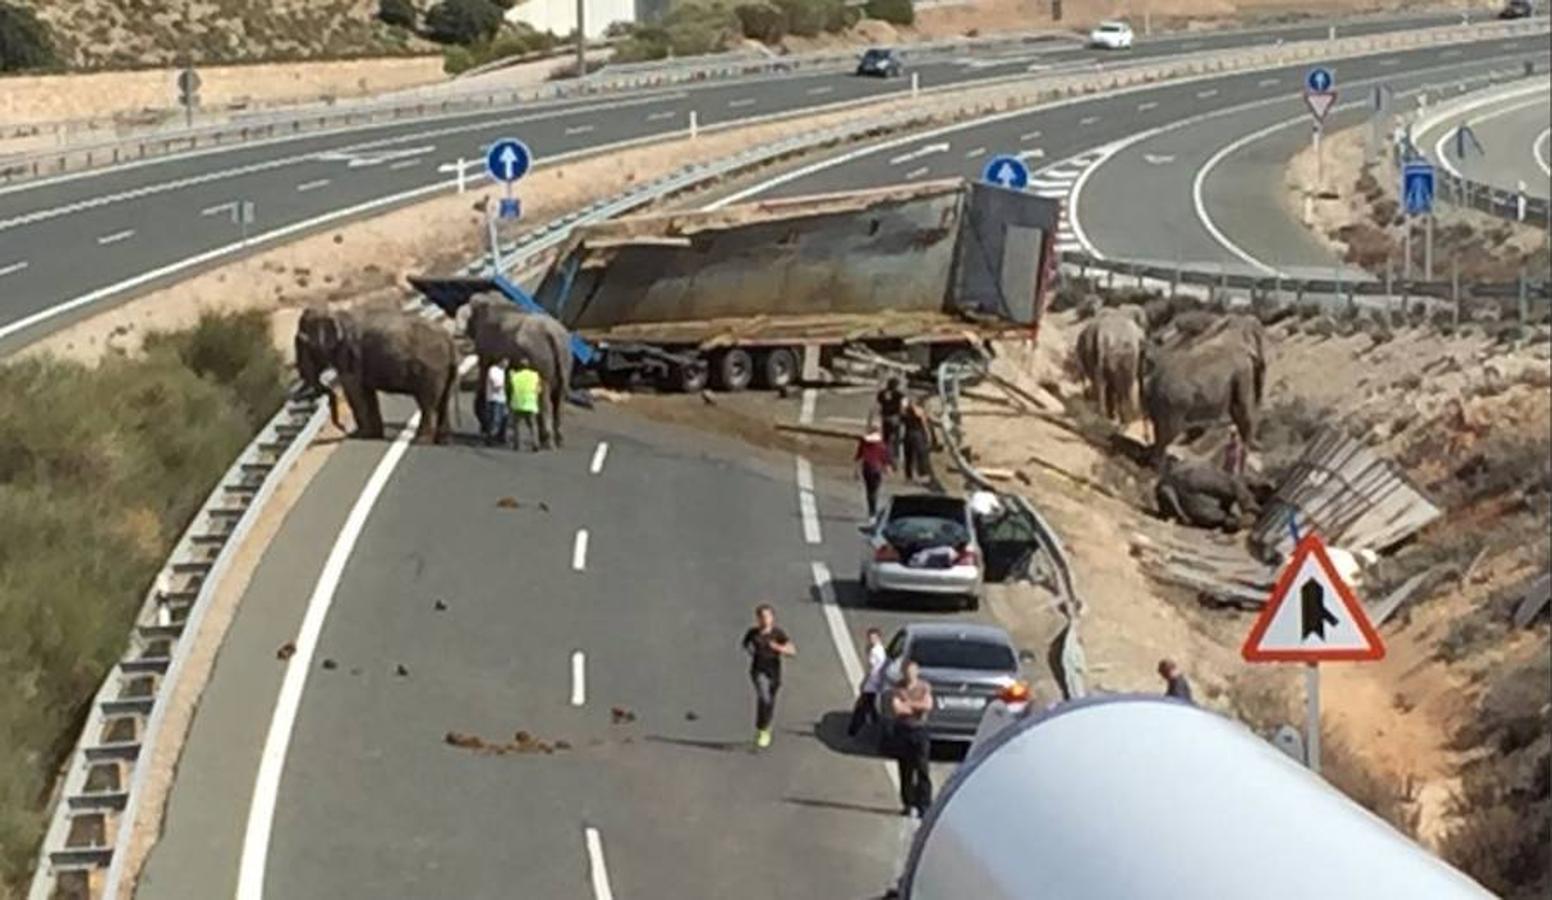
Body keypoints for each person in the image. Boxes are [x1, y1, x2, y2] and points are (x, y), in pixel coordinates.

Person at [741, 604, 796, 749]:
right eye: (761, 617)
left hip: (774, 672)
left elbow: (792, 650)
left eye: (767, 617)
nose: (764, 620)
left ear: (772, 618)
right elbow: (746, 645)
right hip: (758, 671)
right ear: (757, 619)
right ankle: (762, 729)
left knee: (769, 702)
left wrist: (778, 648)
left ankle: (764, 727)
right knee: (764, 697)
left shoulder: (778, 634)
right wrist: (751, 650)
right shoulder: (753, 633)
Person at [888, 660, 934, 818]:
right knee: (905, 769)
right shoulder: (898, 688)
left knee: (922, 769)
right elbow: (897, 708)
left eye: (912, 671)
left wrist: (909, 703)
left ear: (917, 672)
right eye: (907, 672)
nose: (909, 675)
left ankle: (924, 804)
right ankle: (908, 803)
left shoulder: (924, 687)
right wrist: (914, 706)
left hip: (920, 731)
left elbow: (927, 705)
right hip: (903, 731)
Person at [847, 628, 889, 738]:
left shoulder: (876, 651)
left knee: (862, 705)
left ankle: (853, 729)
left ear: (879, 638)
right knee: (870, 704)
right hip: (875, 681)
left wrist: (865, 681)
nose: (871, 640)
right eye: (870, 638)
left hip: (872, 681)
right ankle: (875, 723)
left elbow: (873, 669)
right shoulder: (877, 649)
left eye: (874, 638)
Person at [855, 426, 892, 518]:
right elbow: (886, 459)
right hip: (877, 469)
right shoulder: (882, 445)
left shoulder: (864, 443)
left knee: (869, 491)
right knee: (874, 491)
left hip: (867, 469)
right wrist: (888, 469)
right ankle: (873, 510)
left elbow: (859, 457)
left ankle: (872, 511)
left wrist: (856, 471)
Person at [507, 354, 542, 452]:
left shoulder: (515, 376)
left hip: (517, 403)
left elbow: (510, 388)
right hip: (530, 404)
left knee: (517, 425)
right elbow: (538, 390)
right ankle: (535, 443)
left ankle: (517, 444)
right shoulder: (535, 375)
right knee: (533, 425)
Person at [901, 397, 933, 483]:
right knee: (921, 455)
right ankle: (923, 475)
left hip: (907, 434)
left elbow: (902, 420)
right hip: (917, 434)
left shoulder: (905, 412)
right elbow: (924, 425)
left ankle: (908, 476)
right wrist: (928, 435)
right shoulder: (919, 411)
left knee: (908, 456)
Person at [876, 377, 906, 465]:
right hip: (895, 418)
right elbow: (903, 407)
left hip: (885, 417)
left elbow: (879, 403)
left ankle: (883, 457)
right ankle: (894, 459)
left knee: (885, 438)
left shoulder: (882, 393)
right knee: (896, 440)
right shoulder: (900, 395)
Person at [483, 360, 509, 446]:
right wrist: (505, 385)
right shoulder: (493, 370)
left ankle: (500, 436)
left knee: (504, 418)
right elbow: (496, 385)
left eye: (507, 362)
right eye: (505, 361)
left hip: (502, 399)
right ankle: (490, 438)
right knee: (495, 419)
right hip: (494, 399)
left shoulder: (504, 372)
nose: (506, 363)